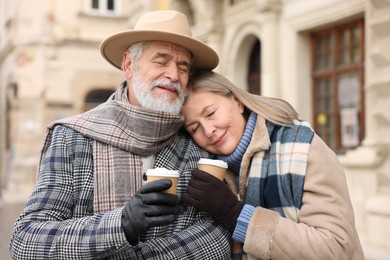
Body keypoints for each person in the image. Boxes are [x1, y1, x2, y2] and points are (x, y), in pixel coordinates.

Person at [10, 11, 232, 259]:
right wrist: (120, 224)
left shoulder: (196, 140)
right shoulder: (71, 137)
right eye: (161, 61)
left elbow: (217, 237)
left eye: (183, 66)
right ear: (128, 65)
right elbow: (26, 240)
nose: (173, 75)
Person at [182, 71, 364, 259]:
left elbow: (335, 249)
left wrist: (235, 215)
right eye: (195, 128)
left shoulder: (303, 147)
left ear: (237, 102)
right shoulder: (208, 171)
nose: (208, 130)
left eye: (211, 113)